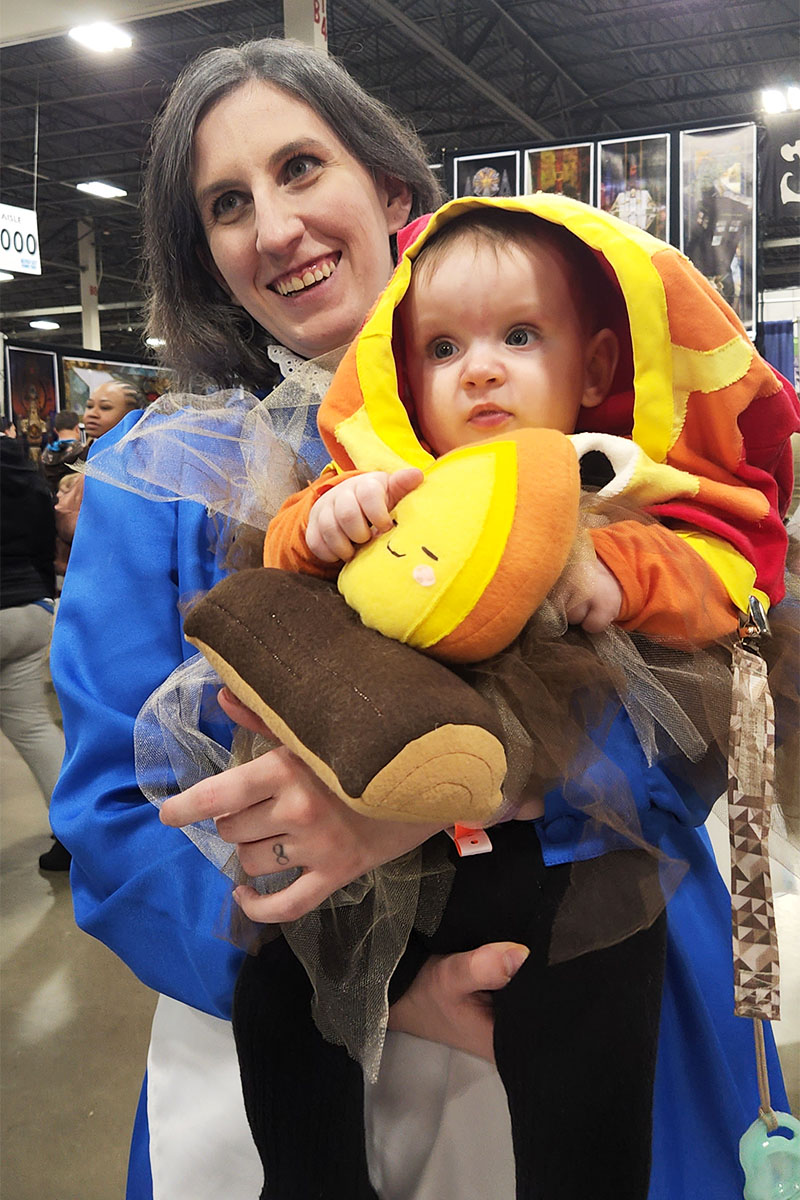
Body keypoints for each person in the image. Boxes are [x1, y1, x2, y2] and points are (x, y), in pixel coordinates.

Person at [50, 36, 792, 1200]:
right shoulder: (156, 476)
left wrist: (466, 792)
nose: (274, 227)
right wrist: (373, 989)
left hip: (594, 949)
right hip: (296, 1006)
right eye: (227, 204)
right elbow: (110, 809)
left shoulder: (578, 424)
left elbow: (711, 703)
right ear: (205, 254)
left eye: (300, 167)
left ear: (388, 190)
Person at [1, 429, 68, 871]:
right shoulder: (24, 471)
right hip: (29, 608)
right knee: (32, 726)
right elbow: (46, 541)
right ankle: (74, 834)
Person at [40, 410, 86, 495]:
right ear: (77, 428)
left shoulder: (44, 457)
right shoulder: (84, 452)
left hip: (52, 500)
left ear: (55, 430)